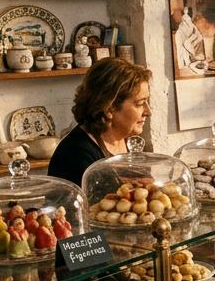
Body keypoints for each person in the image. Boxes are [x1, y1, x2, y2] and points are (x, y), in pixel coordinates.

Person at [48, 58, 153, 186]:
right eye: (140, 103)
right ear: (109, 107)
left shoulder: (128, 140)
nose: (148, 112)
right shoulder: (76, 154)